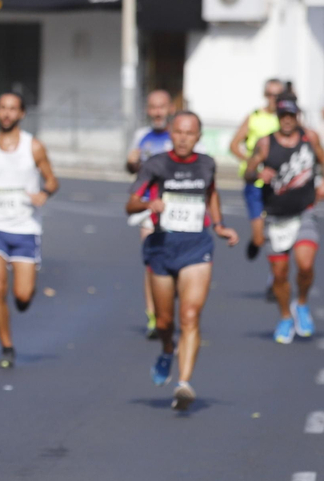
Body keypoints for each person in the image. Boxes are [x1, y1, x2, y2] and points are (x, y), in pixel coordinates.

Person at [127, 110, 238, 411]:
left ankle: (184, 383)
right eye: (178, 132)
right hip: (162, 246)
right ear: (171, 134)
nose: (183, 138)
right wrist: (150, 202)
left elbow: (211, 193)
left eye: (190, 133)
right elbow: (130, 202)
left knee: (189, 315)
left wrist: (218, 225)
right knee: (165, 321)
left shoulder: (206, 164)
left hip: (196, 246)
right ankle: (166, 349)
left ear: (198, 137)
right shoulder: (156, 164)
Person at [0, 93, 59, 368]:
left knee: (22, 296)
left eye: (12, 109)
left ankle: (23, 299)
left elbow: (52, 180)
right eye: (2, 107)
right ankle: (6, 345)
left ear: (22, 113)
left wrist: (44, 193)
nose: (6, 113)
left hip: (25, 227)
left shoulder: (33, 146)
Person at [244, 96, 323, 343]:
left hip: (305, 211)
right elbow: (247, 175)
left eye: (291, 115)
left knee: (306, 264)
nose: (287, 120)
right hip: (276, 217)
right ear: (277, 117)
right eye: (283, 116)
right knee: (279, 274)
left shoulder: (310, 138)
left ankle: (301, 304)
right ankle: (286, 317)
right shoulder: (266, 143)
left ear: (297, 115)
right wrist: (257, 169)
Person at [127, 89, 178, 335]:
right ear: (148, 110)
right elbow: (132, 168)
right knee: (151, 261)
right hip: (148, 206)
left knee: (175, 262)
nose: (158, 112)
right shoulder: (141, 136)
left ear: (171, 108)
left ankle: (168, 305)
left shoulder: (180, 133)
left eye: (162, 107)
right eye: (153, 107)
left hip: (177, 207)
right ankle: (153, 316)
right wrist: (132, 161)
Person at [230, 78, 284, 260]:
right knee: (260, 235)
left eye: (278, 95)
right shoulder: (254, 117)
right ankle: (256, 241)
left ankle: (275, 275)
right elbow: (234, 145)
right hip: (255, 181)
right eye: (270, 94)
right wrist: (252, 161)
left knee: (281, 234)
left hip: (280, 183)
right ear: (264, 95)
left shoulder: (287, 119)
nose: (273, 99)